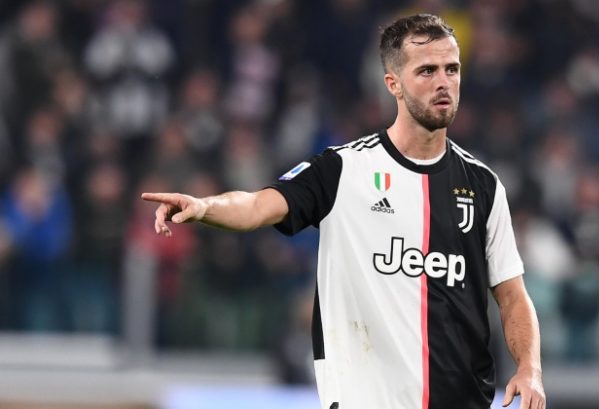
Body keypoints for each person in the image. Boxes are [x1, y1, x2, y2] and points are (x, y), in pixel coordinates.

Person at [142, 14, 545, 409]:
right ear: (393, 84)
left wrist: (530, 368)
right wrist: (204, 206)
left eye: (451, 69)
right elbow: (258, 205)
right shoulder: (344, 169)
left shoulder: (483, 186)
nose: (443, 82)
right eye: (427, 71)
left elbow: (512, 297)